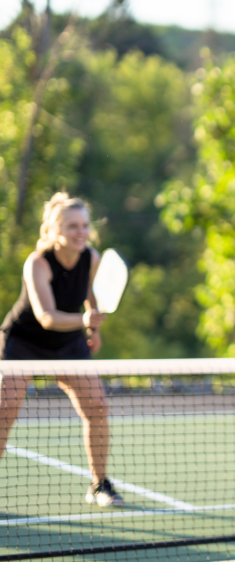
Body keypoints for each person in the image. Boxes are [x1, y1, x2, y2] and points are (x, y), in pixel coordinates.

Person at [0, 193, 122, 507]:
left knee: (97, 407)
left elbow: (92, 296)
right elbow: (46, 316)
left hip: (68, 343)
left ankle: (100, 485)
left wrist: (93, 328)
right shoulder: (37, 262)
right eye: (72, 226)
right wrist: (85, 320)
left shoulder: (91, 258)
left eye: (84, 225)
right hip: (23, 342)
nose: (80, 232)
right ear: (55, 231)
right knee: (4, 410)